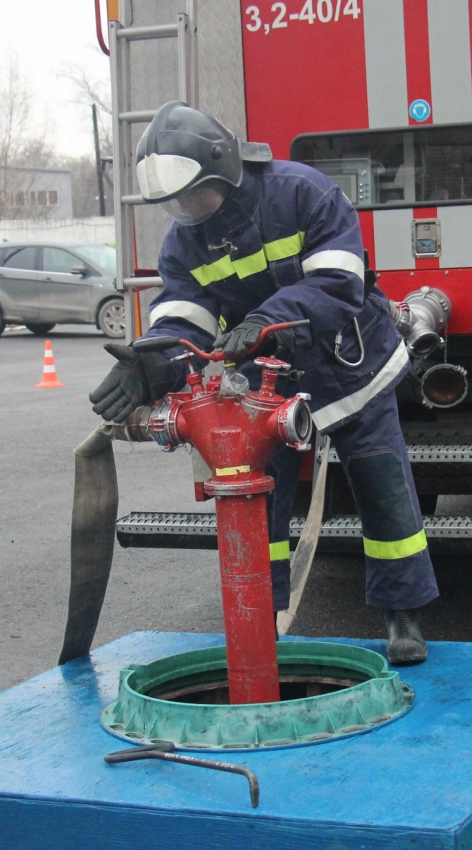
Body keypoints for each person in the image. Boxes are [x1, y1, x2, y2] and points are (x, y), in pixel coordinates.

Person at [89, 101, 436, 665]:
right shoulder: (185, 243)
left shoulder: (304, 193)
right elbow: (184, 317)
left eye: (191, 194)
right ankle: (264, 620)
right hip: (264, 386)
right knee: (257, 499)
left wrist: (268, 322)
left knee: (382, 487)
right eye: (173, 202)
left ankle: (404, 615)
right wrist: (153, 360)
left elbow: (338, 283)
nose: (185, 210)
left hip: (353, 366)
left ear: (222, 168)